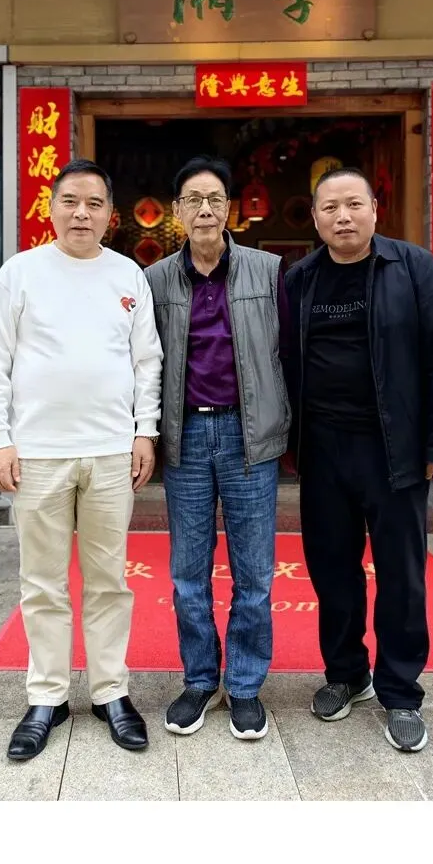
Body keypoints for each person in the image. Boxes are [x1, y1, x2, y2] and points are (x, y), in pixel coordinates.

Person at [0, 160, 162, 760]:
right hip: (37, 453)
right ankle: (47, 696)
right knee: (42, 582)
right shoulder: (20, 273)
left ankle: (111, 692)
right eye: (71, 201)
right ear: (50, 207)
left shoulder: (128, 274)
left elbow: (146, 362)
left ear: (111, 215)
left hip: (110, 452)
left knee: (110, 581)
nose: (82, 213)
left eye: (94, 203)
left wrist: (145, 432)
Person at [284, 167, 433, 753]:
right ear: (315, 218)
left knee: (401, 574)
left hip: (396, 449)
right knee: (331, 570)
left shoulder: (412, 267)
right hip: (323, 450)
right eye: (330, 207)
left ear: (373, 209)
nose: (343, 216)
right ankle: (346, 674)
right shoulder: (301, 278)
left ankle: (401, 691)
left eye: (353, 204)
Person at [145, 156, 291, 741]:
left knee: (254, 573)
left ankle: (247, 686)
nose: (204, 209)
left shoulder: (269, 271)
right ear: (177, 211)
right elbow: (142, 362)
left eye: (214, 199)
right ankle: (200, 680)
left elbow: (289, 355)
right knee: (188, 572)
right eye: (193, 200)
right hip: (185, 437)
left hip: (249, 436)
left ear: (229, 208)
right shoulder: (154, 280)